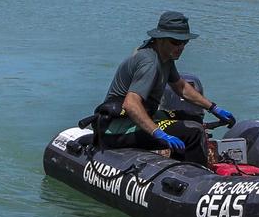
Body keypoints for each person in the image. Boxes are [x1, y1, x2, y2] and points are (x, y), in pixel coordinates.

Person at [92, 11, 233, 167]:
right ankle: (194, 177)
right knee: (193, 132)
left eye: (184, 42)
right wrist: (158, 133)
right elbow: (130, 104)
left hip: (141, 115)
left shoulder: (165, 57)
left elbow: (181, 87)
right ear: (160, 38)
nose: (180, 47)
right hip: (117, 128)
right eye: (174, 41)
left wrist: (213, 108)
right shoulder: (149, 62)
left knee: (193, 117)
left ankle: (177, 162)